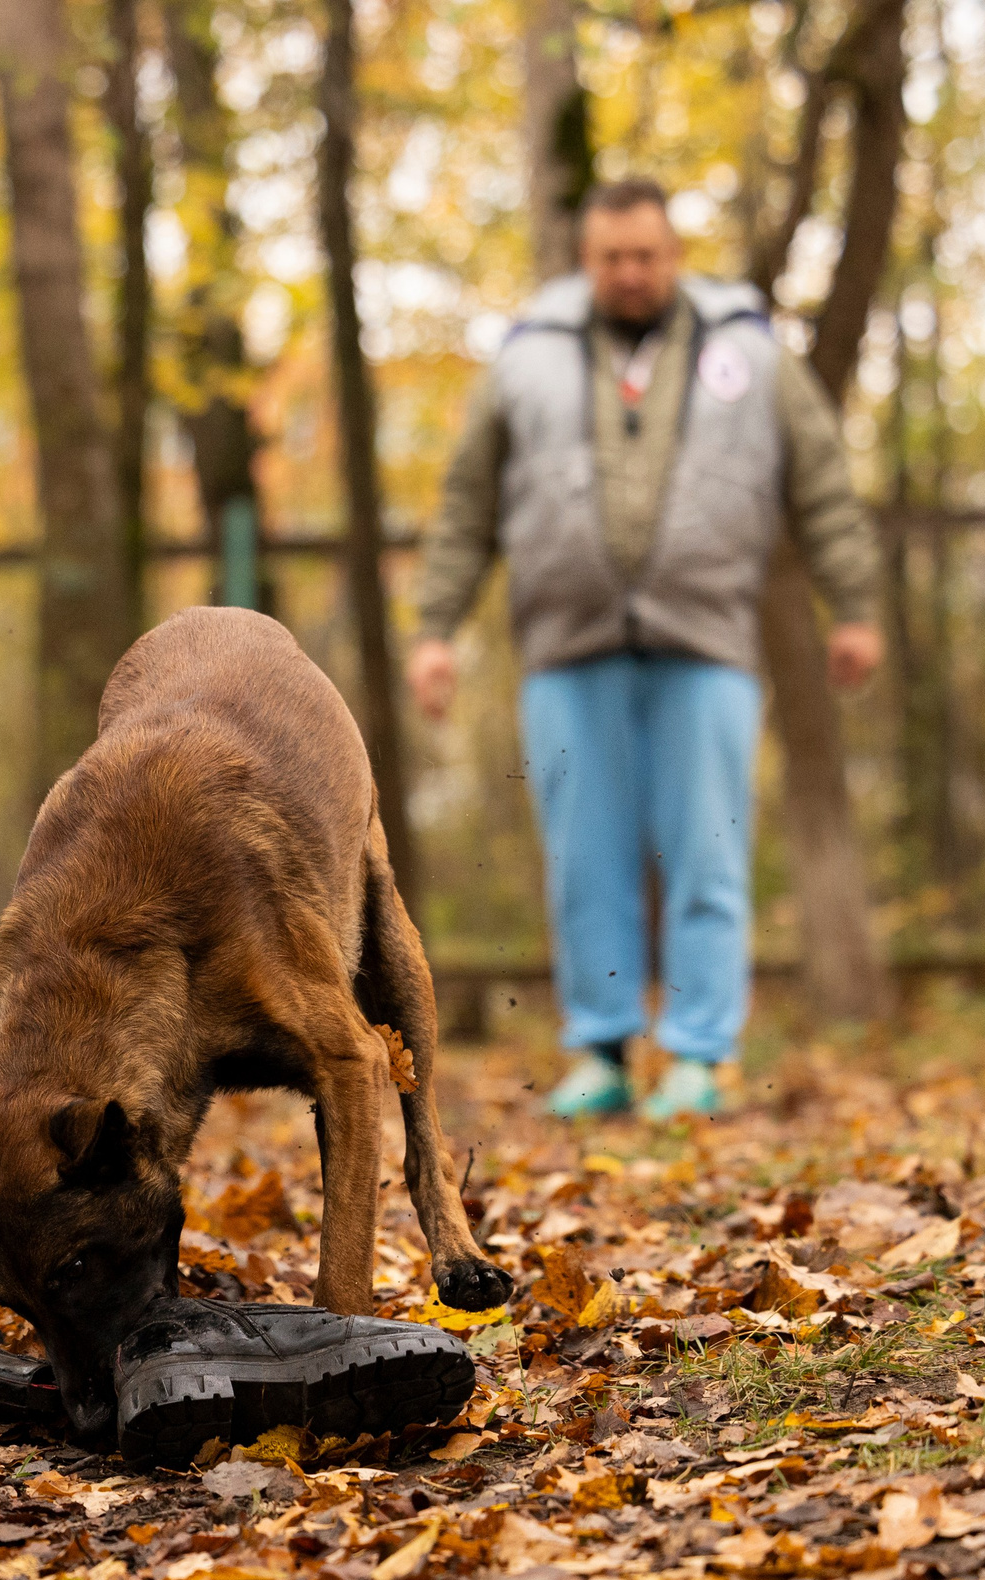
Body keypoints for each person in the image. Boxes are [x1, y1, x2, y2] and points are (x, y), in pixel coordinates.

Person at [407, 177, 882, 1122]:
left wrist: (856, 604)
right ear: (587, 261)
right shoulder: (526, 359)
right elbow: (468, 503)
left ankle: (702, 1053)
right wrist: (436, 629)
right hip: (566, 647)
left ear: (675, 255)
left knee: (709, 849)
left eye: (647, 256)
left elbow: (821, 479)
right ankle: (602, 1051)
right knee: (585, 860)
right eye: (611, 258)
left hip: (706, 640)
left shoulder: (747, 348)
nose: (630, 273)